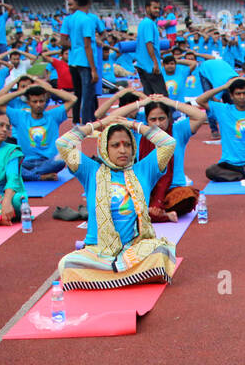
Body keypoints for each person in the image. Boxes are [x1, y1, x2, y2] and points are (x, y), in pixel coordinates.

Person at [54, 115, 178, 290]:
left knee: (161, 253)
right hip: (99, 250)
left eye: (127, 145)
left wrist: (133, 125)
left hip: (134, 248)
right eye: (115, 145)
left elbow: (168, 143)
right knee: (67, 265)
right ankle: (125, 275)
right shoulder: (90, 171)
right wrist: (98, 124)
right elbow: (63, 143)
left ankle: (110, 277)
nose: (123, 150)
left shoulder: (143, 170)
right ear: (104, 148)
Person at [0, 79, 76, 180]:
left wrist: (49, 89)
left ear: (45, 102)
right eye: (34, 102)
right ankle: (39, 176)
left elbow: (73, 99)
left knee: (61, 160)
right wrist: (22, 91)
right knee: (6, 161)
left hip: (47, 162)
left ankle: (28, 175)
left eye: (41, 101)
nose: (38, 105)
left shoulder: (53, 116)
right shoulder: (20, 116)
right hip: (25, 162)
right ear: (28, 103)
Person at [137, 98, 202, 223]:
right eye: (153, 119)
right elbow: (107, 117)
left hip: (173, 190)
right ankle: (164, 215)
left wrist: (169, 102)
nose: (157, 123)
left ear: (169, 118)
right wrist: (142, 102)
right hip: (146, 189)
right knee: (121, 202)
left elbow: (200, 116)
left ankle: (151, 212)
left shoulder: (178, 130)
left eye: (162, 119)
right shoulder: (140, 133)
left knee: (187, 197)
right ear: (146, 120)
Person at [61, 0, 104, 124]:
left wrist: (74, 46)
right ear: (89, 3)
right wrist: (93, 69)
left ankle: (75, 121)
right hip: (85, 62)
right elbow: (87, 45)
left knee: (77, 93)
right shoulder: (87, 20)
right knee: (87, 94)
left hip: (73, 60)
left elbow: (62, 41)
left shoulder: (68, 19)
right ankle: (86, 123)